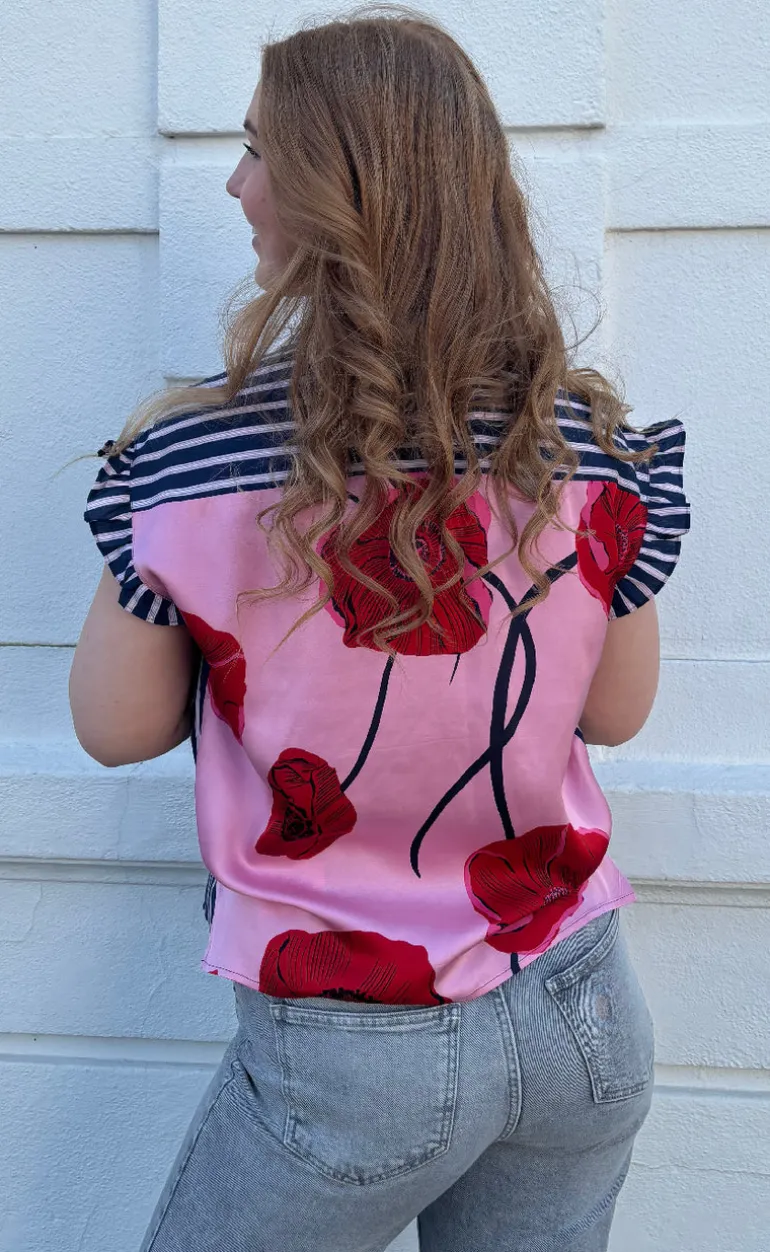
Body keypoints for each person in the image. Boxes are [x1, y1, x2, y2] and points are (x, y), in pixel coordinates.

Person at [69, 7, 690, 1251]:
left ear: (334, 196)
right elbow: (616, 712)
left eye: (259, 152)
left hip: (350, 1047)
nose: (236, 185)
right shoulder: (586, 447)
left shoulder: (194, 463)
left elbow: (115, 727)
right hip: (576, 1012)